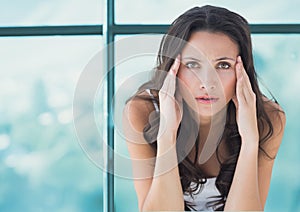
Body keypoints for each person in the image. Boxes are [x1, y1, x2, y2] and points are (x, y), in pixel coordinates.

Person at [122, 5, 286, 211]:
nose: (208, 83)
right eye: (192, 65)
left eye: (223, 65)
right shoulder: (142, 112)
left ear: (242, 71)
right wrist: (167, 135)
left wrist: (250, 140)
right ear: (174, 67)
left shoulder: (268, 118)